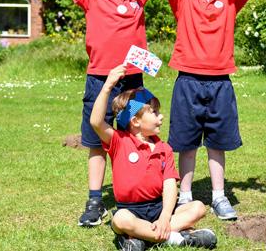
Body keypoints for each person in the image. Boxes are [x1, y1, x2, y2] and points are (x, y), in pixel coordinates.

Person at [131, 0, 266, 220]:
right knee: (187, 143)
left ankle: (219, 196)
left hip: (220, 84)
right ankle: (185, 195)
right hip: (188, 83)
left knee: (217, 144)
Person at [60, 0, 153, 227]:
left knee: (133, 139)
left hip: (132, 82)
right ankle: (95, 201)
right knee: (96, 142)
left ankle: (134, 196)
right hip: (99, 81)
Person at [90, 65, 217, 250]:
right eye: (154, 112)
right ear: (135, 121)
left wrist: (165, 217)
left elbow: (169, 185)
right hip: (130, 210)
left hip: (159, 208)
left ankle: (140, 238)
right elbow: (95, 122)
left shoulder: (164, 148)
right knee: (120, 219)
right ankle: (177, 238)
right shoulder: (119, 141)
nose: (161, 116)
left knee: (198, 207)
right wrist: (107, 86)